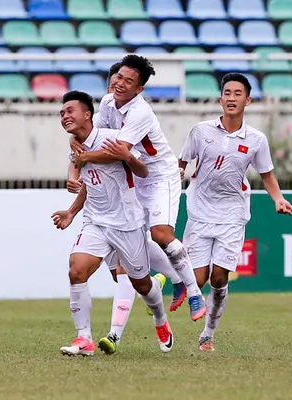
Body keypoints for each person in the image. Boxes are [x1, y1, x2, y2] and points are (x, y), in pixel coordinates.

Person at [70, 55, 206, 329]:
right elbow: (93, 134)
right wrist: (75, 139)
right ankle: (175, 280)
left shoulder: (140, 112)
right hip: (133, 176)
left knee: (161, 234)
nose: (119, 83)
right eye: (118, 76)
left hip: (158, 176)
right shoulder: (108, 103)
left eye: (128, 81)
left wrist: (84, 158)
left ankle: (195, 292)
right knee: (133, 241)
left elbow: (114, 152)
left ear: (139, 89)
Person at [51, 91, 174, 356]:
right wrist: (72, 211)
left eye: (70, 111)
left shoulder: (112, 140)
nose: (65, 116)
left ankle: (160, 317)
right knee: (76, 270)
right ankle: (84, 339)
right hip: (95, 222)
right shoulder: (75, 148)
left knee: (142, 285)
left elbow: (143, 171)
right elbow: (91, 185)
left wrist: (127, 158)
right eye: (62, 113)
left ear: (87, 114)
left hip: (127, 224)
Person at [179, 73, 292, 352]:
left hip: (232, 214)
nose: (231, 98)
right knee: (197, 280)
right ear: (220, 99)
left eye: (237, 93)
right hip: (199, 211)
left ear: (248, 100)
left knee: (219, 278)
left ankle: (208, 333)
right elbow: (181, 164)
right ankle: (171, 281)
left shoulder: (256, 139)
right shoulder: (200, 131)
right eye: (227, 93)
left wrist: (277, 198)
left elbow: (267, 175)